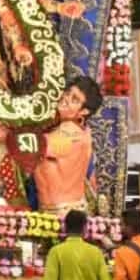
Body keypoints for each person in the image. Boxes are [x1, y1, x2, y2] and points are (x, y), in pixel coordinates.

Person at [33, 77, 103, 219]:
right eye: (68, 92)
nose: (66, 98)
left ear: (84, 112)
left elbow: (30, 145)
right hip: (64, 214)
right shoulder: (82, 131)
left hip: (63, 219)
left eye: (75, 100)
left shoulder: (70, 135)